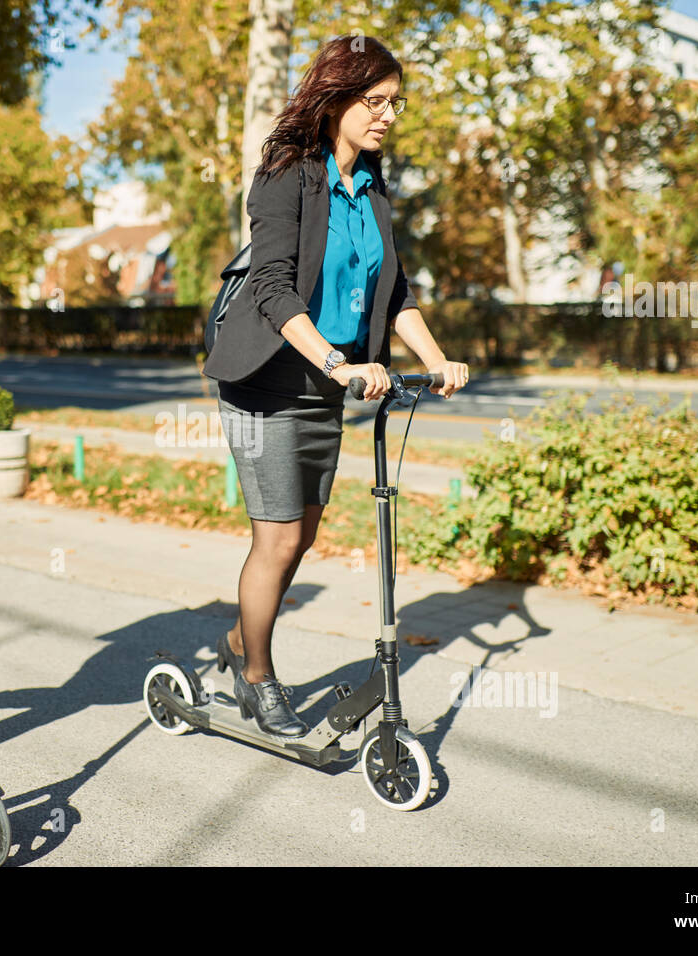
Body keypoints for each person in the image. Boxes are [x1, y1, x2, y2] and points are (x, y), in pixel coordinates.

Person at [203, 35, 470, 737]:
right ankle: (255, 676)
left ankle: (238, 641)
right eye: (374, 101)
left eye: (395, 103)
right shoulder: (287, 173)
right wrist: (336, 363)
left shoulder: (373, 187)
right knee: (279, 539)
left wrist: (440, 359)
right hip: (269, 377)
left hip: (330, 380)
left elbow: (396, 290)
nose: (387, 115)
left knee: (305, 533)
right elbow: (271, 287)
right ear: (336, 99)